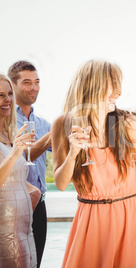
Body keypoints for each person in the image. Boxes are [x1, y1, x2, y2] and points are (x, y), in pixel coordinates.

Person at [51, 60, 136, 267]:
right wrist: (74, 152)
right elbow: (60, 183)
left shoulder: (131, 124)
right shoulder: (62, 124)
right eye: (113, 83)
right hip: (90, 222)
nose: (119, 92)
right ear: (93, 85)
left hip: (129, 221)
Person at [8, 61, 52, 267]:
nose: (34, 87)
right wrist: (54, 135)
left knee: (36, 262)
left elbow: (65, 152)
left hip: (39, 205)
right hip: (13, 206)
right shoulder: (5, 121)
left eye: (37, 82)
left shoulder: (43, 123)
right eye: (27, 82)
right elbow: (22, 159)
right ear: (12, 85)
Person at [0, 74, 39, 267]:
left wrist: (33, 189)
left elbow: (14, 175)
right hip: (4, 228)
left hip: (24, 227)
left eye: (9, 94)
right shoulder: (13, 145)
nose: (7, 99)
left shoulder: (10, 133)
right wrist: (15, 153)